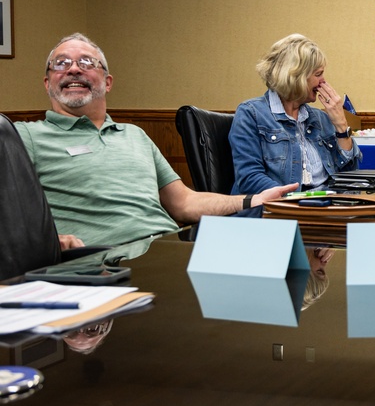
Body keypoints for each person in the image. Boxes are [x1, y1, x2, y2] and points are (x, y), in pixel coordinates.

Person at [15, 33, 296, 248]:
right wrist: (47, 242)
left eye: (87, 62)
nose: (74, 69)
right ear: (47, 82)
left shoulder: (134, 135)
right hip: (103, 261)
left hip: (169, 248)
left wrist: (253, 200)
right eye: (61, 63)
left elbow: (184, 203)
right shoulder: (24, 137)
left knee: (282, 246)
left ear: (107, 81)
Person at [230, 34, 361, 196]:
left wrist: (341, 124)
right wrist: (296, 199)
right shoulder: (251, 114)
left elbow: (349, 177)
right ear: (296, 75)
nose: (323, 82)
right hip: (279, 210)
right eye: (318, 74)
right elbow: (249, 178)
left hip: (325, 206)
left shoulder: (321, 118)